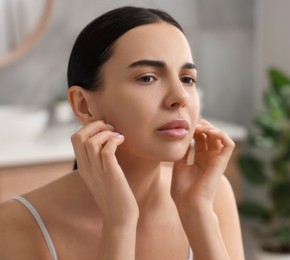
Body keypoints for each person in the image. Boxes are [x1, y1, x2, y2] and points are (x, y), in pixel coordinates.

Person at [0, 6, 245, 260]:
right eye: (148, 78)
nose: (180, 97)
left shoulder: (210, 196)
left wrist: (197, 213)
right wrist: (119, 224)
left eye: (187, 78)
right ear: (84, 105)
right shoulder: (16, 225)